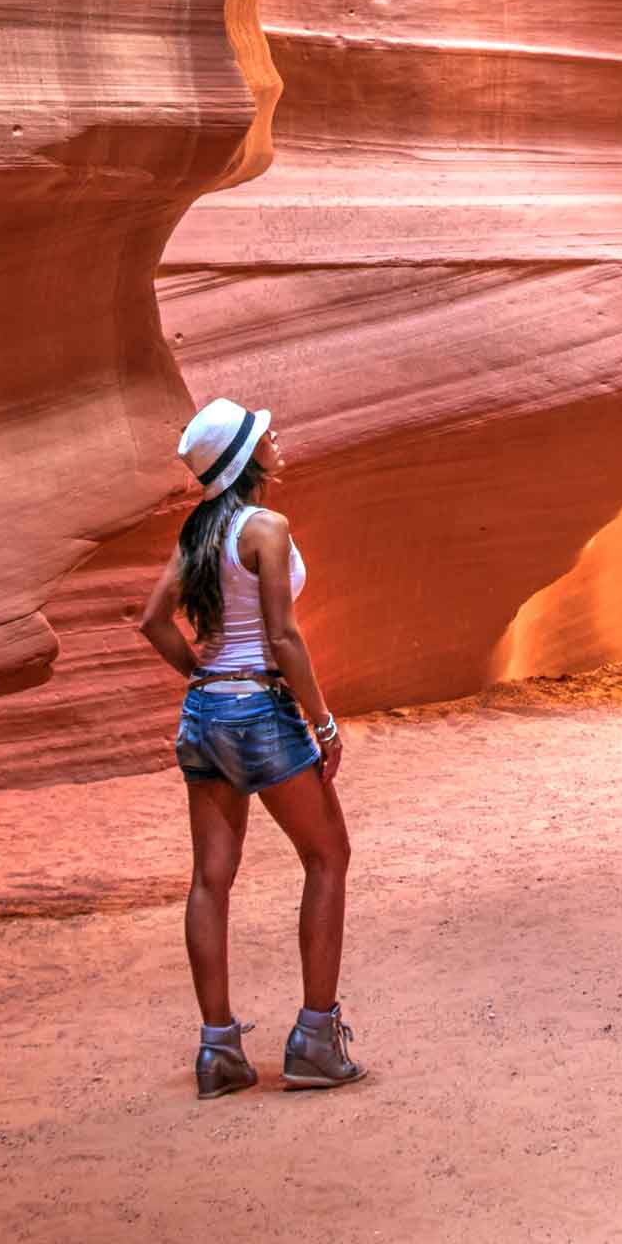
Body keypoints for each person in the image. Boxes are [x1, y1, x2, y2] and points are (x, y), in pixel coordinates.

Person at [138, 396, 364, 1097]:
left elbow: (153, 621)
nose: (277, 438)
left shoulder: (199, 532)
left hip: (205, 711)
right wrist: (321, 721)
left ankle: (218, 1052)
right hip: (259, 711)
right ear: (246, 459)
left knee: (211, 877)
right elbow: (283, 638)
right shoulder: (264, 527)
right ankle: (316, 1041)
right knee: (328, 856)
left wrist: (204, 677)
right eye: (266, 434)